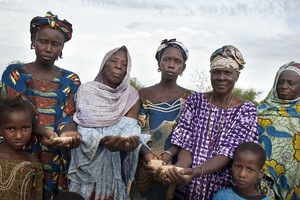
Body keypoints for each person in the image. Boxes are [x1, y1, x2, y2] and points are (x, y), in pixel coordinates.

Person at [0, 11, 82, 199]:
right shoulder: (15, 74)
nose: (48, 48)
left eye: (55, 44)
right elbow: (12, 113)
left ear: (62, 48)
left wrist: (69, 134)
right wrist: (44, 131)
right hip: (20, 152)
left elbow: (70, 116)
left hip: (56, 156)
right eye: (42, 41)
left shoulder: (71, 80)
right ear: (32, 41)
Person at [160, 45, 259, 199]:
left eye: (228, 72)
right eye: (216, 72)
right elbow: (186, 143)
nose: (221, 77)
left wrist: (195, 172)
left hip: (221, 191)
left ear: (237, 76)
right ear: (210, 74)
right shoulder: (195, 100)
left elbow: (228, 152)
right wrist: (180, 169)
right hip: (186, 187)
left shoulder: (246, 110)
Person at [68, 46, 151, 200]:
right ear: (105, 64)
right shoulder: (87, 90)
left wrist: (128, 140)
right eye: (114, 61)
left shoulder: (131, 95)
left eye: (124, 64)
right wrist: (103, 139)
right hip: (86, 165)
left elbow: (130, 129)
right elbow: (82, 127)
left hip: (117, 166)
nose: (119, 66)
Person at [129, 38, 192, 200]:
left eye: (177, 61)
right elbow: (135, 129)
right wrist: (146, 154)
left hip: (174, 165)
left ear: (183, 68)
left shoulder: (190, 98)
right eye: (166, 59)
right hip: (145, 163)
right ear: (159, 64)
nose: (171, 65)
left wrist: (170, 153)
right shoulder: (143, 94)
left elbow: (188, 134)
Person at [258, 61, 300, 200]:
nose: (283, 86)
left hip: (294, 178)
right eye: (280, 82)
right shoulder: (260, 110)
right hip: (261, 179)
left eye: (290, 83)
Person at [0, 96, 44, 199]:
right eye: (10, 129)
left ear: (32, 128)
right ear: (0, 129)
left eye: (25, 128)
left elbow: (37, 195)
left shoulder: (33, 163)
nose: (19, 136)